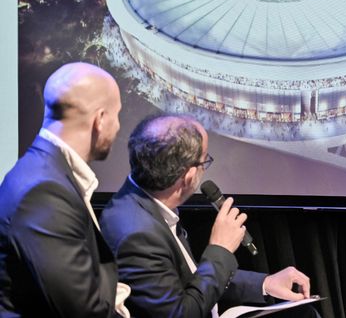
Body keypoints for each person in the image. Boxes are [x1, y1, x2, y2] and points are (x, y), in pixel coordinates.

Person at [100, 114, 316, 318]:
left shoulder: (147, 204)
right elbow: (181, 314)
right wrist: (220, 249)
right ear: (189, 175)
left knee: (302, 313)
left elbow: (192, 278)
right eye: (205, 161)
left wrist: (265, 283)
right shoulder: (136, 233)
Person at [0, 62, 130, 317]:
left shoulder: (44, 173)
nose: (118, 126)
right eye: (117, 115)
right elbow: (84, 311)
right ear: (100, 120)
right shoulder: (44, 191)